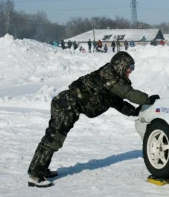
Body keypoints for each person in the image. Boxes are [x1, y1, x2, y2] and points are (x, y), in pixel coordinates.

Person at [27, 52, 161, 188]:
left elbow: (119, 103)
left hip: (71, 106)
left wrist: (137, 111)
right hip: (66, 104)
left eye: (130, 70)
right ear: (120, 66)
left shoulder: (112, 84)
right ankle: (35, 175)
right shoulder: (109, 77)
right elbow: (129, 94)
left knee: (56, 138)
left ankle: (42, 169)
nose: (129, 73)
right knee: (54, 138)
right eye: (127, 69)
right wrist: (147, 99)